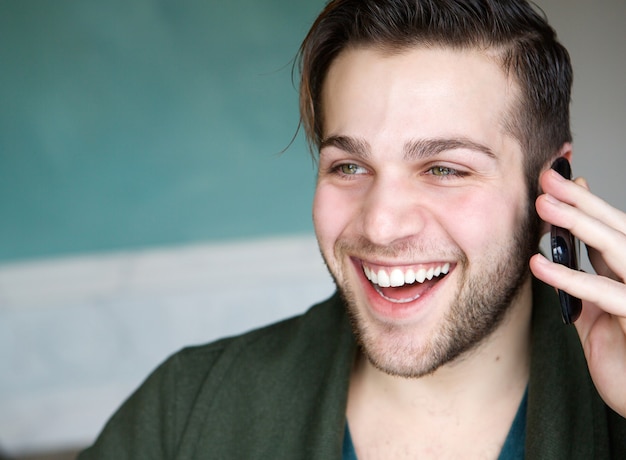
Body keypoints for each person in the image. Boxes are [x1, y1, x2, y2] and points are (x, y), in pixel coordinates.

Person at [78, 0, 626, 458]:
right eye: (348, 166)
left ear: (550, 188)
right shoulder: (184, 410)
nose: (382, 225)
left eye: (444, 169)